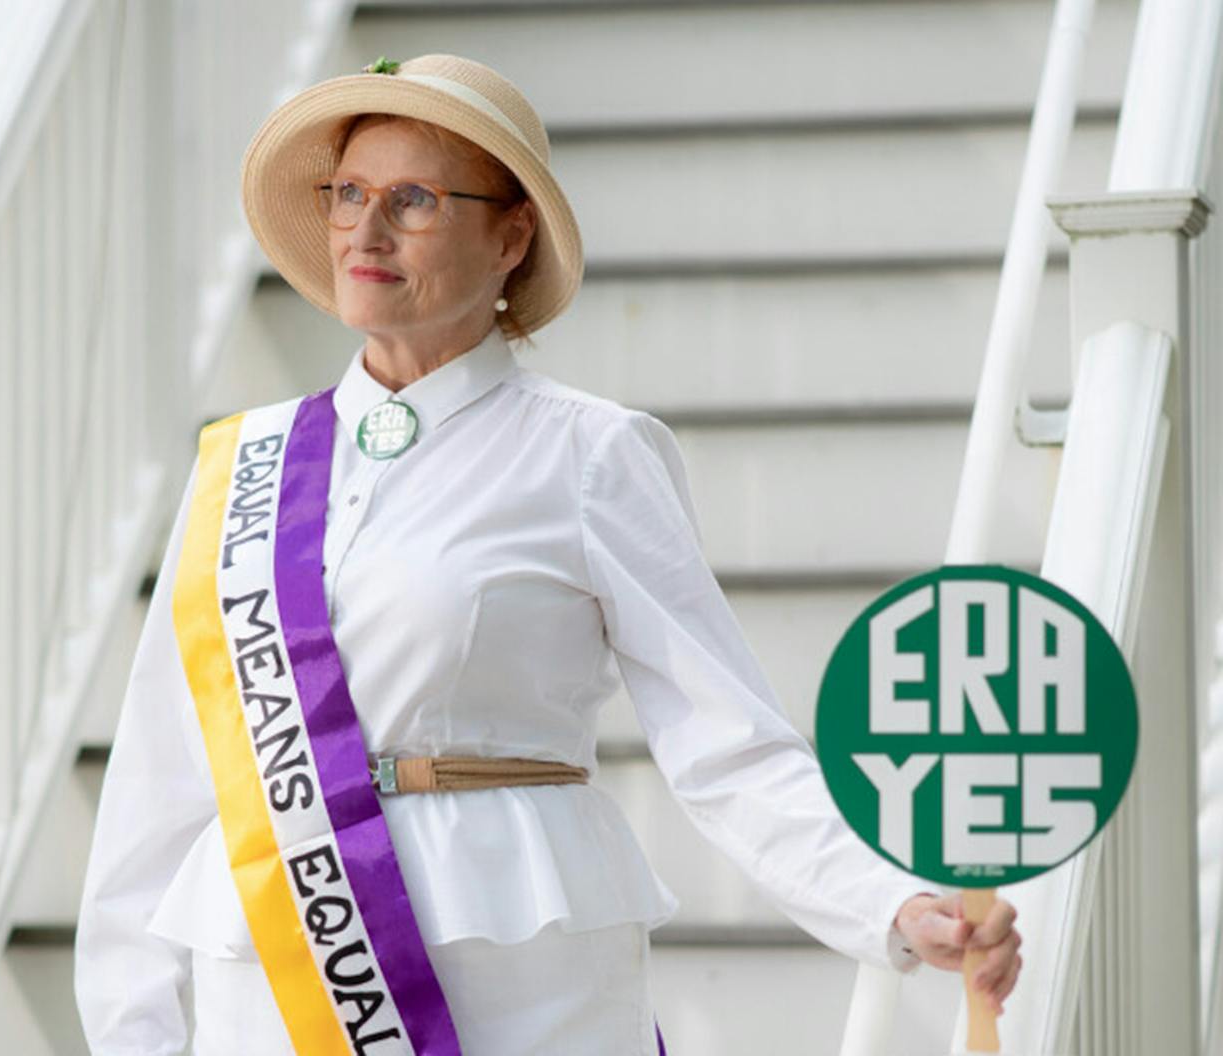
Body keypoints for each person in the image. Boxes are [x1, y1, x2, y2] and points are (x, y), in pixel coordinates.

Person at [73, 53, 1022, 1056]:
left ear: (510, 233)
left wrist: (891, 902)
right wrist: (131, 1027)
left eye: (413, 199)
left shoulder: (588, 452)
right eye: (347, 193)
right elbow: (160, 783)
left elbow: (723, 741)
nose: (364, 229)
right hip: (264, 971)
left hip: (516, 966)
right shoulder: (241, 464)